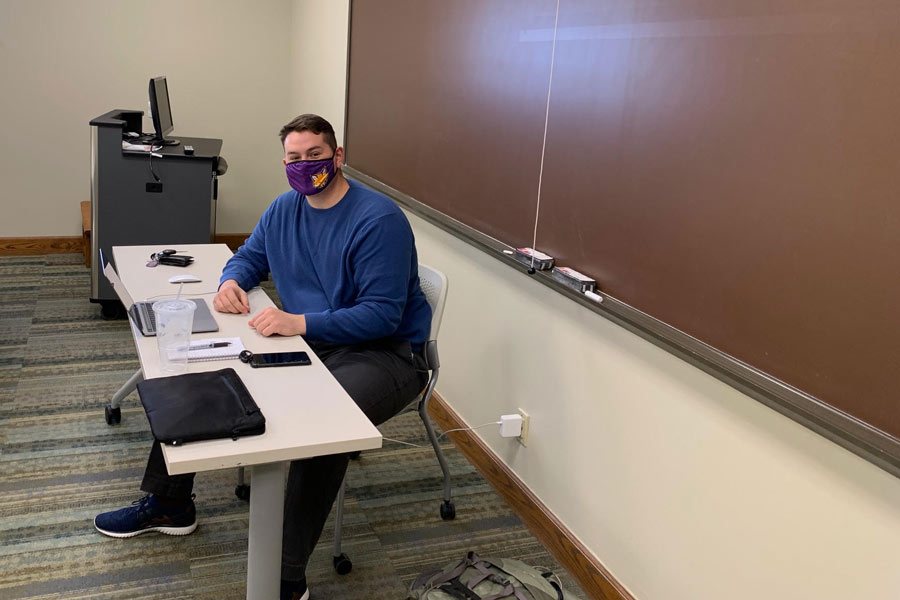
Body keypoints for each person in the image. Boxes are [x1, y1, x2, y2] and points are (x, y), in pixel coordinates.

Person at [94, 114, 432, 600]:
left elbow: (381, 315)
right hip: (315, 338)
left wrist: (300, 322)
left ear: (337, 157)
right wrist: (231, 280)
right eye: (294, 158)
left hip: (386, 353)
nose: (304, 166)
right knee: (211, 370)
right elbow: (248, 256)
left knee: (322, 429)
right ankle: (169, 503)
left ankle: (284, 576)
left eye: (315, 155)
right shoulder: (284, 209)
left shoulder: (378, 220)